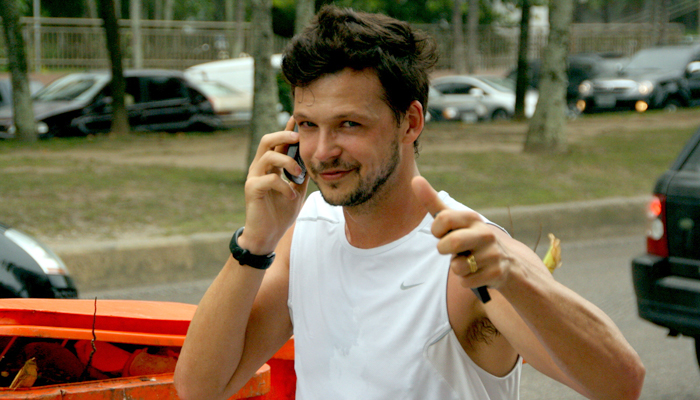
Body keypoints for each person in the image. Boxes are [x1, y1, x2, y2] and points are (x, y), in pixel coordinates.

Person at [174, 6, 645, 400]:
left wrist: (514, 274)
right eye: (308, 125)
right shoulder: (308, 233)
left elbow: (621, 384)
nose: (321, 151)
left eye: (349, 125)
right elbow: (199, 389)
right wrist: (256, 241)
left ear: (410, 122)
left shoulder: (470, 258)